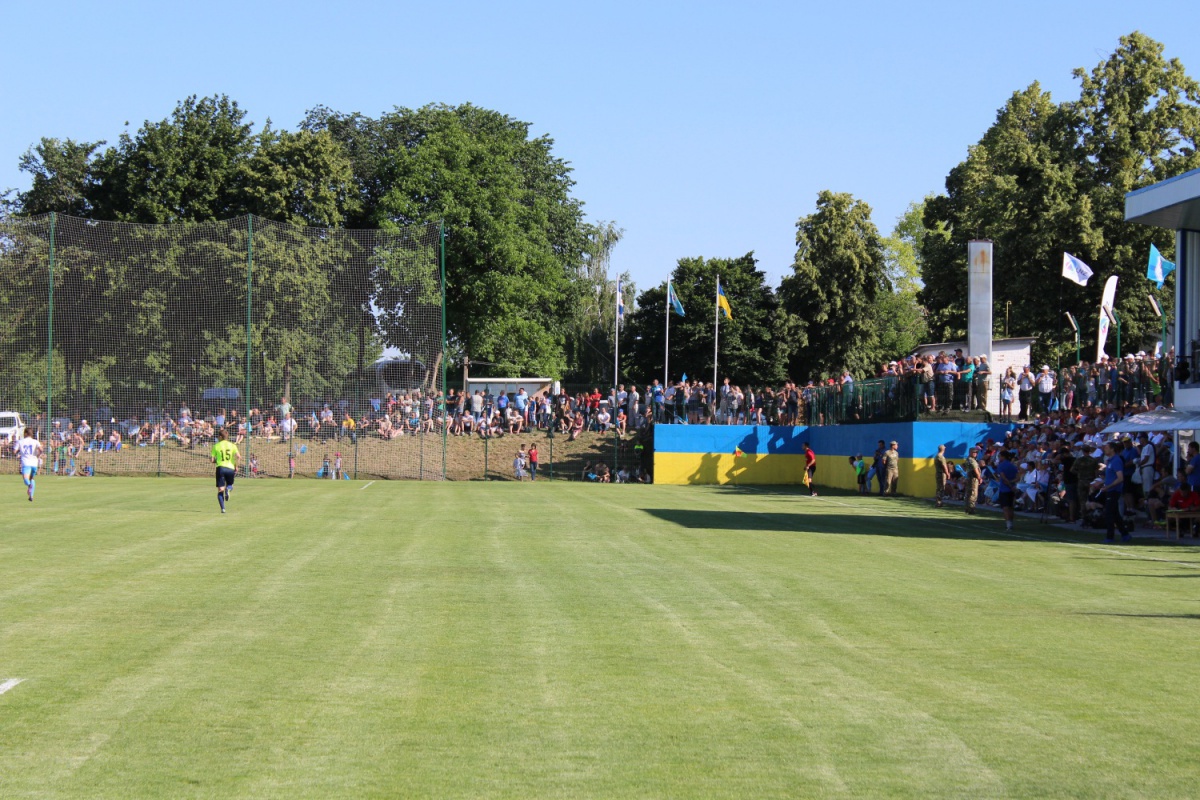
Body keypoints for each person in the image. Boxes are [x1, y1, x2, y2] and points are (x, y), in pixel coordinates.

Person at [1102, 440, 1133, 542]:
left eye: (1107, 447)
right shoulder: (1110, 461)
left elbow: (1120, 478)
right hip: (1110, 489)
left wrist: (1108, 486)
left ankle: (1110, 536)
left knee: (1109, 513)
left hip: (1114, 490)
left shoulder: (1116, 461)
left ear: (1112, 449)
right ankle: (1125, 534)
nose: (1105, 449)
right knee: (1115, 514)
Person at [210, 428, 239, 514]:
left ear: (220, 437)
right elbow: (238, 456)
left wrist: (217, 461)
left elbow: (212, 460)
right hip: (230, 468)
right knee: (230, 485)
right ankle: (228, 490)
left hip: (221, 468)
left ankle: (223, 509)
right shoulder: (233, 445)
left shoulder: (216, 446)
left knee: (220, 490)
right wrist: (236, 466)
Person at [13, 427, 43, 502]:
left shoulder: (20, 441)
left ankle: (30, 486)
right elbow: (41, 450)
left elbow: (14, 451)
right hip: (34, 463)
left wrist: (17, 453)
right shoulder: (35, 441)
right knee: (31, 479)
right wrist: (38, 455)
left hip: (26, 462)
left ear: (25, 433)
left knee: (26, 479)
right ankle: (31, 496)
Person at [996, 450, 1019, 531]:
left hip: (1004, 489)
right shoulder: (1013, 466)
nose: (999, 458)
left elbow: (1003, 477)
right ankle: (1011, 523)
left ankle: (1008, 524)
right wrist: (1012, 483)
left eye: (1000, 456)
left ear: (1003, 457)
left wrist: (1009, 484)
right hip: (1012, 489)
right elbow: (1017, 478)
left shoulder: (1001, 465)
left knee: (1005, 507)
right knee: (1011, 507)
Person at [964, 446, 982, 514]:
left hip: (969, 477)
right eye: (973, 452)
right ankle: (971, 508)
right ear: (970, 452)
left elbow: (964, 467)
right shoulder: (972, 460)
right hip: (973, 478)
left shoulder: (968, 459)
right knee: (973, 494)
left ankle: (967, 508)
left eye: (976, 452)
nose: (975, 453)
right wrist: (979, 478)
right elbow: (975, 470)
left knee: (968, 493)